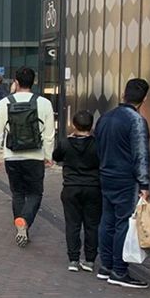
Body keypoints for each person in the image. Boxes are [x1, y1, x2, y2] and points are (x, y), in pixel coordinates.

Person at [94, 78, 150, 289]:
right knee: (124, 223)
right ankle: (119, 270)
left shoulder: (105, 118)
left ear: (123, 94)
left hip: (106, 174)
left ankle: (106, 266)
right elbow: (141, 154)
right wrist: (144, 184)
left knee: (107, 220)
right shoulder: (136, 120)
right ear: (144, 98)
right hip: (126, 178)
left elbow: (97, 147)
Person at [0, 66, 55, 247]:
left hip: (12, 155)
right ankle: (25, 221)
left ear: (16, 82)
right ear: (33, 82)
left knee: (18, 193)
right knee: (35, 193)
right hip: (35, 156)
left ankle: (21, 226)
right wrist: (48, 156)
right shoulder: (44, 103)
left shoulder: (4, 103)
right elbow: (49, 135)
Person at [52, 110, 101, 272]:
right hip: (93, 187)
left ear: (74, 125)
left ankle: (73, 259)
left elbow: (56, 157)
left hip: (71, 187)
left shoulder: (65, 143)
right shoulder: (97, 143)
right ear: (91, 125)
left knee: (72, 224)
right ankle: (90, 259)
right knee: (92, 225)